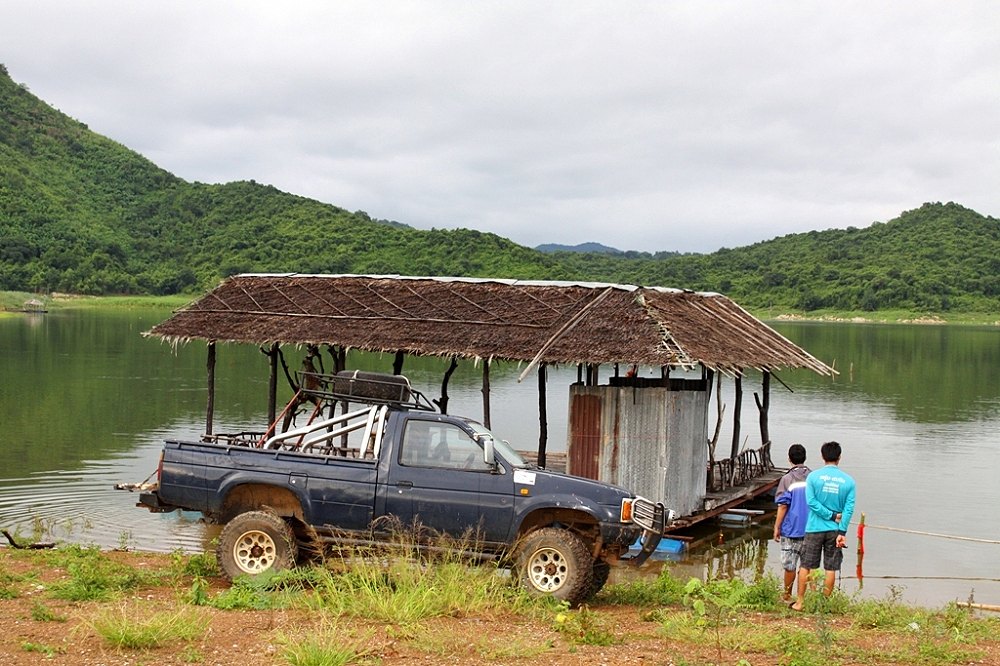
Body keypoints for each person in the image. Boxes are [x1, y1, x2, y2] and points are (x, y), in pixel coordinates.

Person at [791, 440, 857, 611]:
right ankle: (824, 605)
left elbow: (811, 502)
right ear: (839, 457)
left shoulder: (814, 477)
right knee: (831, 567)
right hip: (835, 530)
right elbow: (849, 509)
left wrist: (828, 514)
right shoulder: (848, 481)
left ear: (822, 456)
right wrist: (841, 528)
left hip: (814, 528)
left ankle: (800, 602)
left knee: (806, 565)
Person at [773, 444, 810, 602]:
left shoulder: (787, 479)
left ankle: (787, 595)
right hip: (810, 528)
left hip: (791, 528)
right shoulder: (813, 477)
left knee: (790, 564)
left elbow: (782, 505)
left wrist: (777, 527)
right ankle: (804, 597)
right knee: (807, 565)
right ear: (805, 458)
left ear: (789, 459)